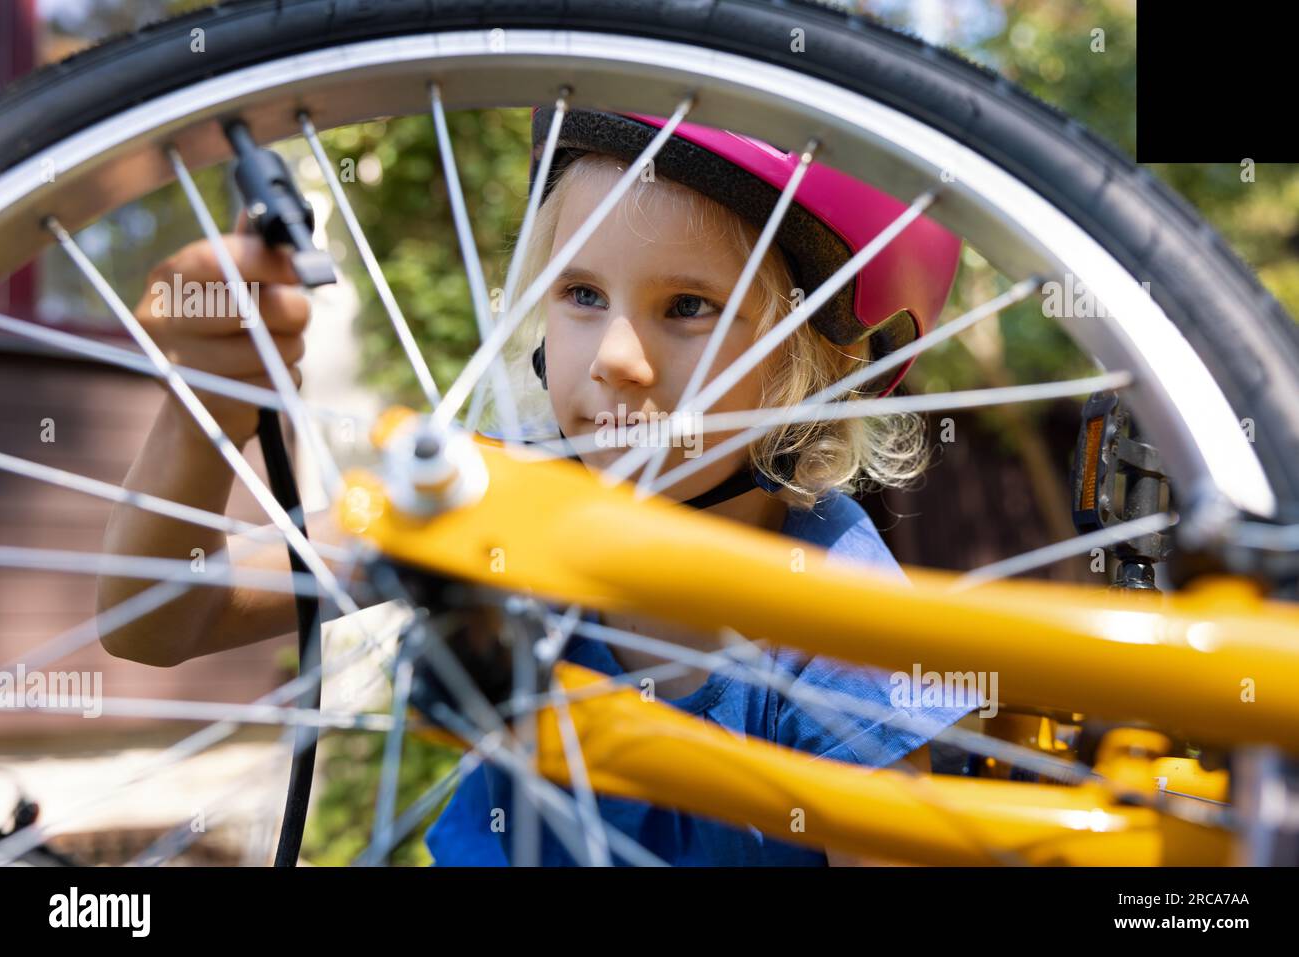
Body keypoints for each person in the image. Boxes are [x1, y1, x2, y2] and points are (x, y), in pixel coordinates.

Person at [96, 107, 971, 865]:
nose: (616, 360)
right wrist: (202, 403)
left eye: (689, 307)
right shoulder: (487, 502)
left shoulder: (841, 613)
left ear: (818, 359)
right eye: (582, 293)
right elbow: (159, 619)